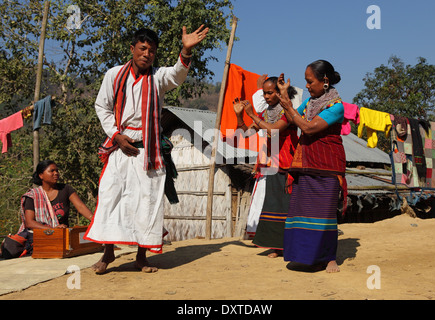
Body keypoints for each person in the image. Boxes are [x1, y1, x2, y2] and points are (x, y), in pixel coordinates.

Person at [84, 25, 209, 274]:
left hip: (149, 150)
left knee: (148, 202)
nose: (146, 54)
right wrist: (117, 136)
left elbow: (178, 75)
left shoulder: (159, 77)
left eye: (151, 50)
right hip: (120, 147)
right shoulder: (113, 75)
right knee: (111, 199)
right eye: (142, 48)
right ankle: (108, 253)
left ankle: (142, 257)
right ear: (132, 49)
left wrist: (185, 50)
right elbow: (102, 107)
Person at [277, 60, 347, 273]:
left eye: (310, 81)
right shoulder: (308, 103)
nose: (306, 86)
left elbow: (307, 128)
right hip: (306, 163)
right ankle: (305, 257)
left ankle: (329, 258)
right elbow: (288, 120)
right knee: (302, 212)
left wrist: (289, 106)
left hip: (327, 166)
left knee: (325, 214)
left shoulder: (336, 106)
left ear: (324, 81)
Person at [234, 77, 298, 258]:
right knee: (273, 205)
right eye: (265, 93)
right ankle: (277, 246)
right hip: (273, 163)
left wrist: (252, 114)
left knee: (287, 206)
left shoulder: (288, 111)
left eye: (270, 93)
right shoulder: (265, 114)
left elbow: (273, 130)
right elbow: (246, 133)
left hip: (288, 163)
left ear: (279, 93)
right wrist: (240, 115)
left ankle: (290, 246)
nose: (267, 96)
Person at [1, 160, 93, 259]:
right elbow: (30, 223)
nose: (56, 173)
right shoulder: (33, 196)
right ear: (41, 175)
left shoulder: (66, 189)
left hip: (62, 237)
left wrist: (95, 221)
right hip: (41, 238)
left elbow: (81, 207)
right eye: (52, 171)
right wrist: (53, 230)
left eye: (57, 170)